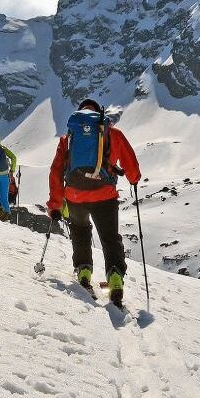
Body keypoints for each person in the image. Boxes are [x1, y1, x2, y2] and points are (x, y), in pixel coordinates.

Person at [46, 99, 141, 308]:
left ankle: (84, 272)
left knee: (80, 231)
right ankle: (115, 279)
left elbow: (56, 171)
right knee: (109, 238)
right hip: (104, 196)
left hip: (75, 196)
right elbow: (130, 161)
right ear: (100, 115)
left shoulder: (68, 139)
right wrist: (134, 178)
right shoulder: (112, 134)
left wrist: (54, 203)